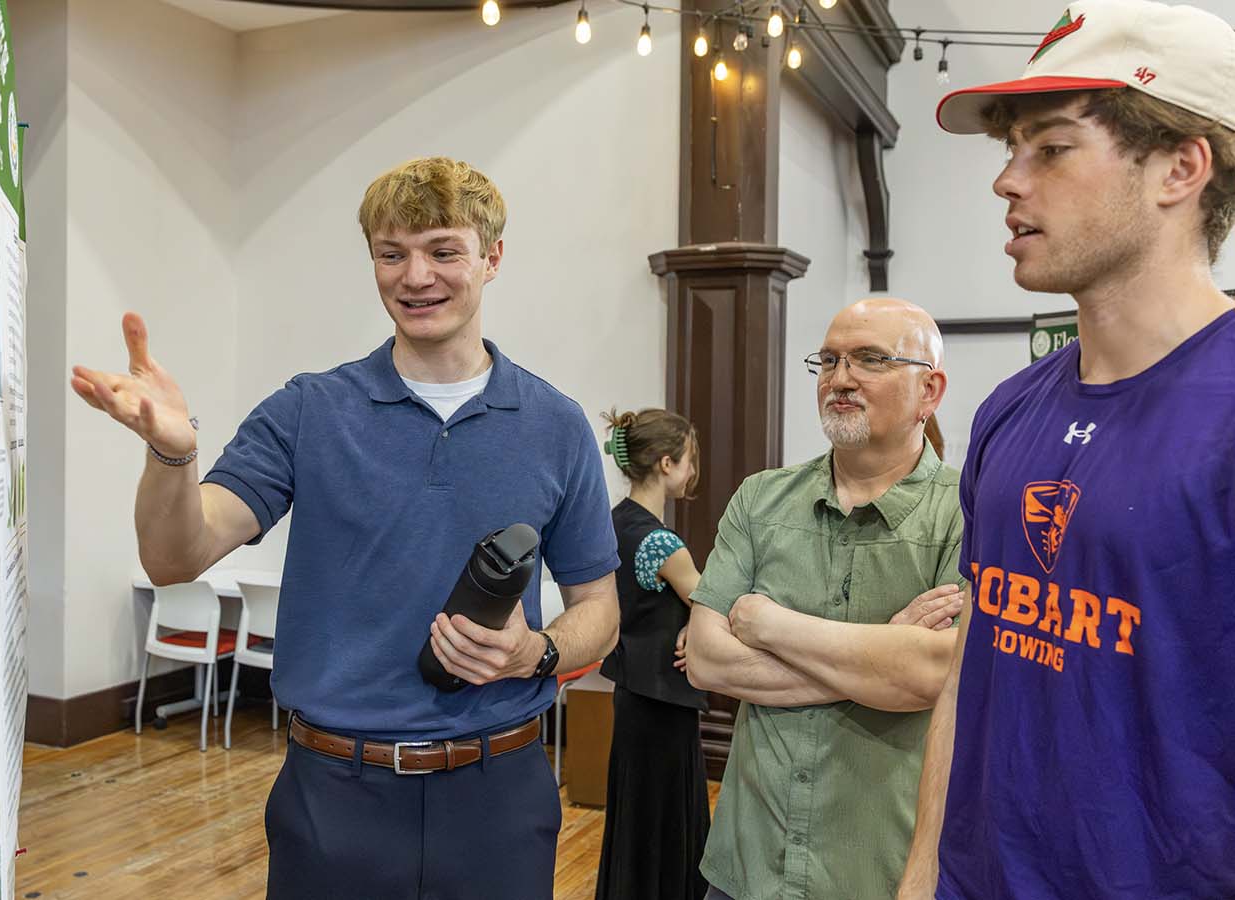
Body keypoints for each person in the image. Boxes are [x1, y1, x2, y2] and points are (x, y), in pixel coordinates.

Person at [69, 157, 621, 900]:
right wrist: (174, 451)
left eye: (442, 251)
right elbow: (177, 556)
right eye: (392, 254)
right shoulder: (308, 411)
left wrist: (537, 651)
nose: (415, 275)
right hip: (334, 796)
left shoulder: (555, 425)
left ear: (492, 258)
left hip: (500, 795)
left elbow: (601, 612)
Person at [901, 2, 1235, 897]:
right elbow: (975, 656)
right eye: (1010, 150)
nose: (1007, 182)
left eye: (1049, 148)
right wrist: (925, 871)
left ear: (1179, 166)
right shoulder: (1010, 411)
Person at [685, 298, 967, 900]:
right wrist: (881, 656)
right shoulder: (760, 500)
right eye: (830, 360)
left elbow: (931, 676)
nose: (840, 379)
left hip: (877, 872)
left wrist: (769, 624)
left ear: (930, 391)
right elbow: (707, 660)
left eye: (870, 359)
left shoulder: (966, 513)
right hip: (747, 864)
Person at [593, 408, 709, 900]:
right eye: (687, 461)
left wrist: (690, 620)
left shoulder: (615, 522)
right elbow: (713, 601)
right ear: (666, 464)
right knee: (665, 819)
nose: (690, 471)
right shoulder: (660, 542)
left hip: (634, 694)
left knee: (637, 818)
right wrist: (698, 619)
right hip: (663, 700)